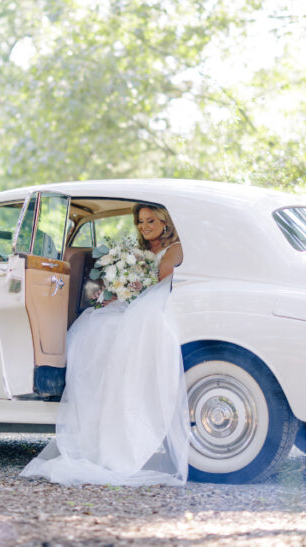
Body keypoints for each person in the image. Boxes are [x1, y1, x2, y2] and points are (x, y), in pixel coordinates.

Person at [20, 204, 190, 486]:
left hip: (158, 309)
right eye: (140, 222)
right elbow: (140, 283)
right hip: (141, 303)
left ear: (165, 222)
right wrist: (120, 290)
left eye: (150, 221)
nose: (144, 226)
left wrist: (130, 287)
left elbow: (161, 283)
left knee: (105, 328)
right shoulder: (144, 249)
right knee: (92, 324)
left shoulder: (175, 249)